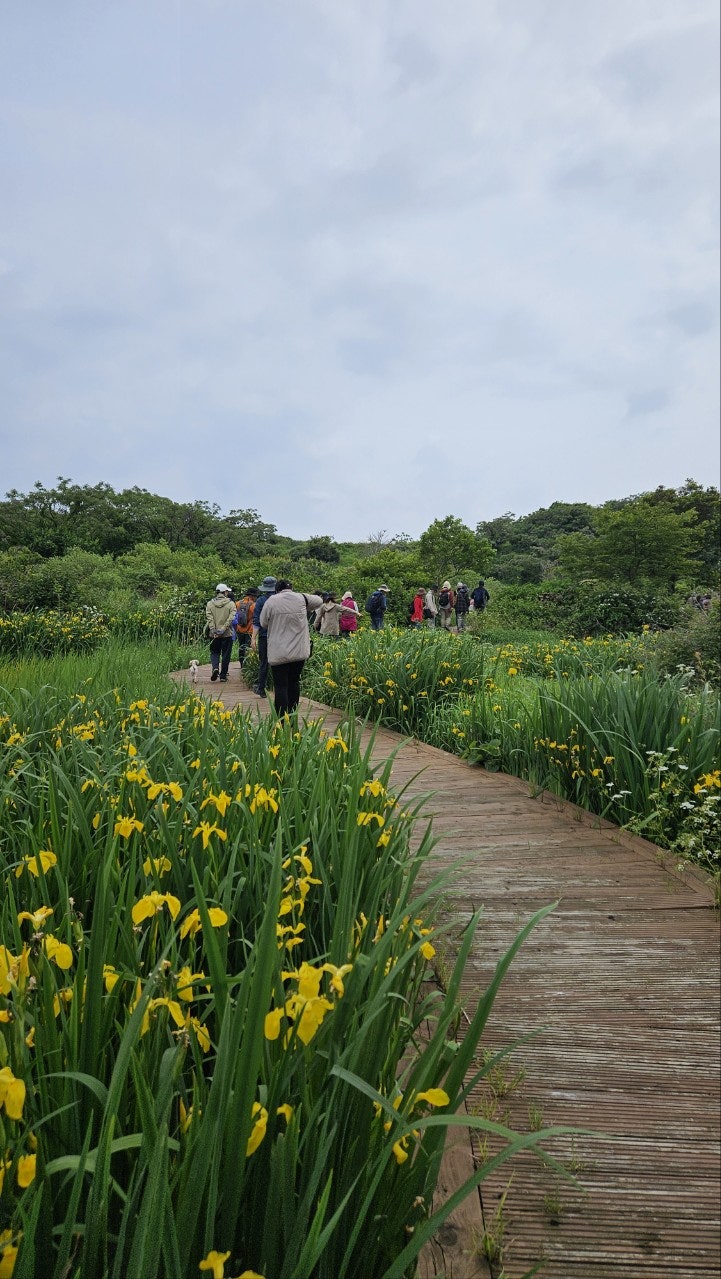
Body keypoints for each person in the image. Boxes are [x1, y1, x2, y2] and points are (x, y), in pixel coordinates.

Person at [260, 580, 323, 716]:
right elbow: (319, 600)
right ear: (292, 588)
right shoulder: (301, 598)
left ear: (277, 590)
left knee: (280, 686)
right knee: (294, 682)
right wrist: (304, 598)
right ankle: (293, 715)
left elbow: (263, 622)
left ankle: (282, 720)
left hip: (278, 652)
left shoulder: (271, 601)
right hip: (298, 652)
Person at [251, 575, 277, 697]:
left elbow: (256, 621)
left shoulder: (261, 601)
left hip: (264, 636)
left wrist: (253, 638)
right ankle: (279, 688)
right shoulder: (279, 599)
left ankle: (262, 689)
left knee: (264, 662)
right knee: (279, 662)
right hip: (279, 636)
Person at [205, 583, 235, 682]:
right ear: (225, 592)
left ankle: (215, 668)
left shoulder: (210, 604)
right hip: (227, 634)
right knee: (226, 654)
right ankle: (223, 676)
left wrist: (213, 629)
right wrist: (223, 629)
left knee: (214, 652)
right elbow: (231, 618)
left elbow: (209, 618)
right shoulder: (231, 604)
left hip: (213, 634)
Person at [233, 587, 258, 672]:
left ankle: (241, 664)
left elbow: (235, 615)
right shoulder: (253, 605)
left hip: (239, 629)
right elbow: (256, 617)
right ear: (252, 596)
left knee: (241, 647)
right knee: (247, 648)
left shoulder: (238, 603)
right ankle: (246, 666)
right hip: (249, 630)